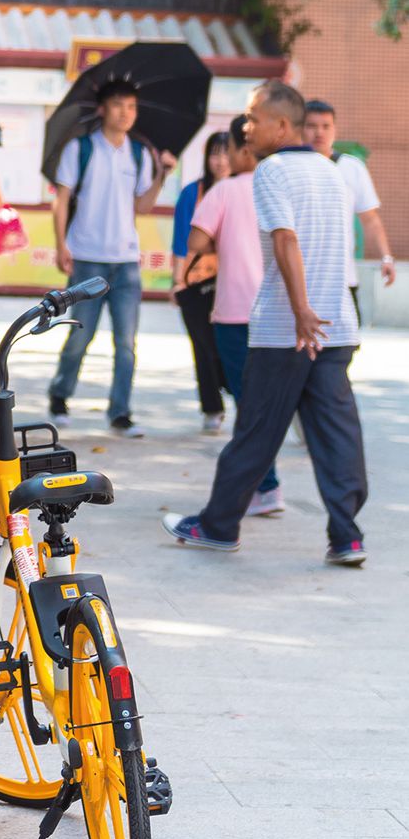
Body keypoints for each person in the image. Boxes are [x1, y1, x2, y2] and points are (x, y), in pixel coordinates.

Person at [163, 81, 368, 566]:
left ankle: (217, 526)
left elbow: (286, 240)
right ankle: (348, 537)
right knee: (337, 436)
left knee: (256, 431)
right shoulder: (333, 171)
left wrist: (299, 309)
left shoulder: (272, 170)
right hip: (336, 327)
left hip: (287, 330)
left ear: (281, 126)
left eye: (253, 118)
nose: (246, 127)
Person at [48, 79, 177, 437]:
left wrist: (163, 174)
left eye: (132, 107)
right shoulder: (81, 148)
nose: (126, 113)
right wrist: (61, 245)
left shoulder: (139, 153)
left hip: (126, 261)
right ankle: (60, 395)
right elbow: (61, 199)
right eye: (119, 105)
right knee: (80, 337)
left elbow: (142, 206)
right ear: (103, 109)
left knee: (126, 343)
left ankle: (120, 411)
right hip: (87, 256)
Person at [188, 116, 282, 516]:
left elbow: (196, 240)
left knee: (247, 401)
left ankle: (265, 486)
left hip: (233, 312)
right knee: (261, 399)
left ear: (243, 150)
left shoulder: (224, 190)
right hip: (276, 311)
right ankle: (265, 485)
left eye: (227, 148)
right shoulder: (279, 188)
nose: (223, 157)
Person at [302, 99, 396, 319]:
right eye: (312, 125)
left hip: (342, 279)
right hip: (301, 280)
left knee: (343, 349)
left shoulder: (352, 167)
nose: (319, 132)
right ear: (301, 128)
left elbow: (370, 218)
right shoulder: (291, 166)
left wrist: (386, 258)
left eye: (326, 126)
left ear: (335, 129)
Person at [170, 130, 231, 432]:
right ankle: (211, 407)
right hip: (196, 282)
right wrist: (177, 281)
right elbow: (181, 240)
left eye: (226, 153)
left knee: (228, 344)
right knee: (203, 345)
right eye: (214, 154)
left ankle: (232, 390)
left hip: (235, 280)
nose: (220, 161)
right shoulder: (192, 193)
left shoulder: (243, 190)